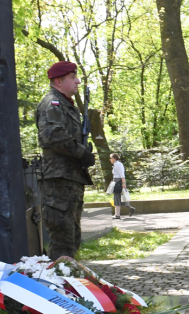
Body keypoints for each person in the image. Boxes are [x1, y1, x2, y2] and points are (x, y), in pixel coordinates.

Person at [36, 61, 95, 260]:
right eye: (72, 77)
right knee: (62, 239)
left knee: (71, 237)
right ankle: (58, 285)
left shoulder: (66, 105)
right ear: (58, 81)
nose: (77, 81)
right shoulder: (52, 103)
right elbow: (53, 135)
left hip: (69, 177)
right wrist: (81, 153)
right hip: (59, 178)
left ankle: (70, 284)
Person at [109, 153, 135, 219]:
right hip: (116, 181)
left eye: (111, 158)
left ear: (114, 158)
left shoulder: (118, 165)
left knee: (117, 198)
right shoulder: (116, 165)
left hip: (118, 182)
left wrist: (123, 183)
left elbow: (122, 175)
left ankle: (117, 215)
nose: (110, 160)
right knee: (120, 198)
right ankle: (130, 208)